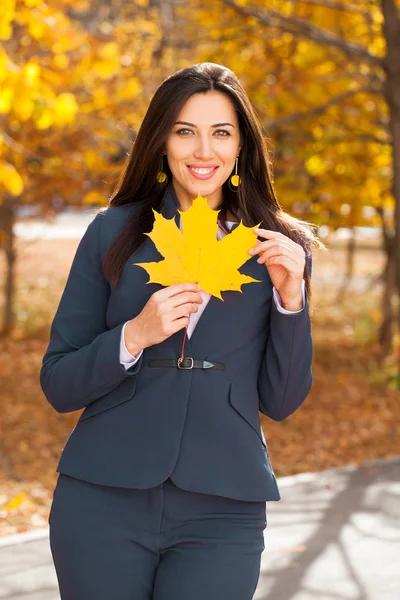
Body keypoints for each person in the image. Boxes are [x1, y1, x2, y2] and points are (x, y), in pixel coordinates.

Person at [40, 62, 318, 600]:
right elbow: (58, 383)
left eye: (221, 132)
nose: (203, 151)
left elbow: (282, 402)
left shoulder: (280, 249)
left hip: (224, 505)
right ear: (161, 140)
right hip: (102, 497)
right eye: (185, 130)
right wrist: (134, 337)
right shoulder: (112, 232)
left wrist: (291, 300)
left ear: (242, 146)